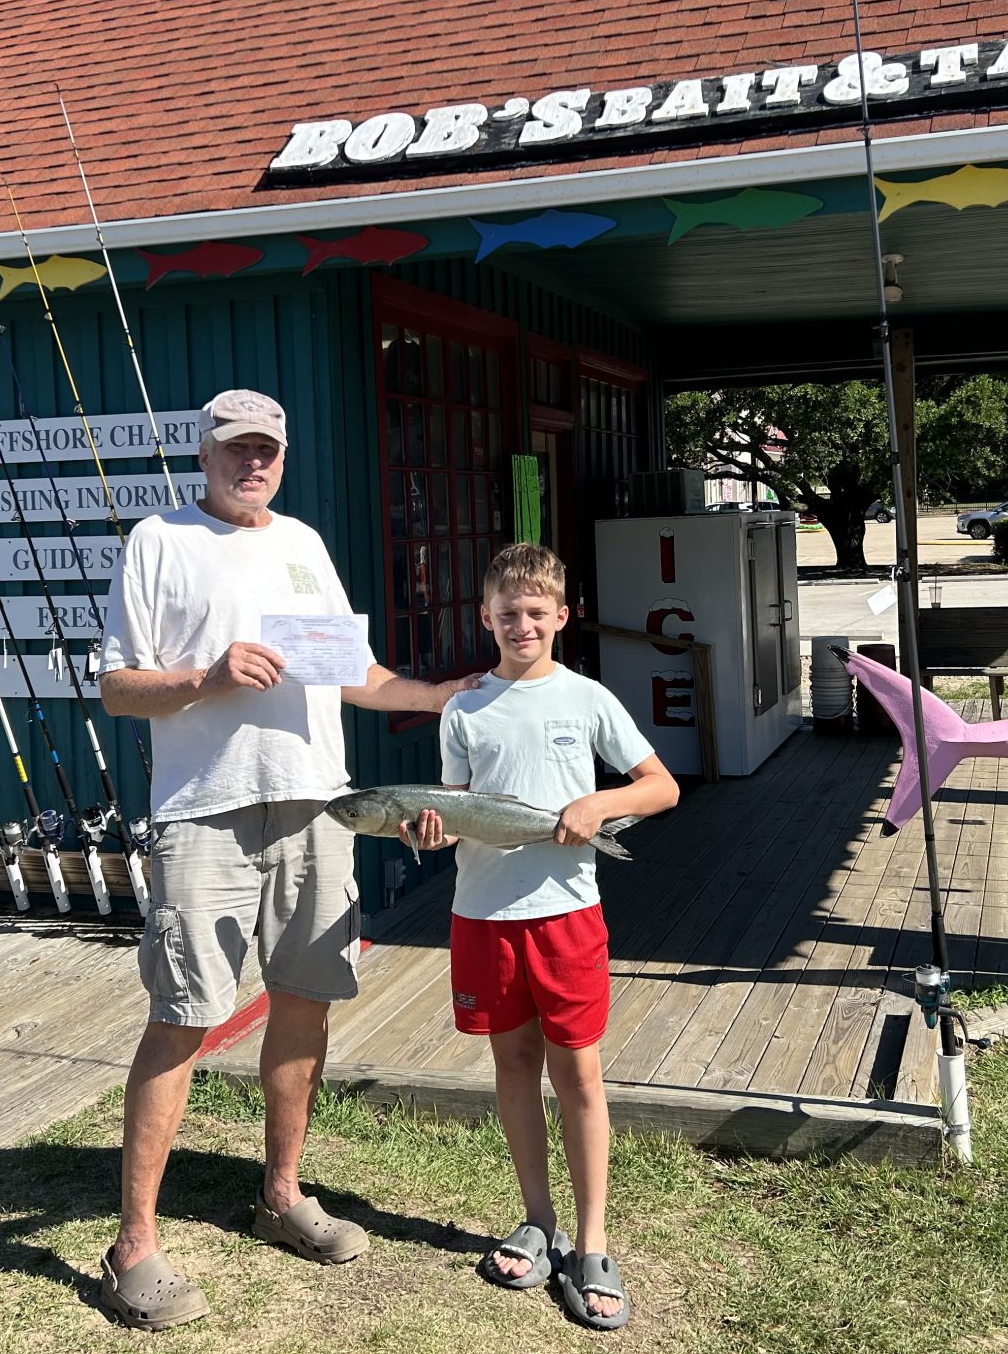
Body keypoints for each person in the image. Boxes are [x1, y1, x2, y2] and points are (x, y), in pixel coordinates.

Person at [95, 388, 476, 1331]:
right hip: (204, 814)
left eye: (267, 449)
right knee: (184, 1016)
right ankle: (133, 1246)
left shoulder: (303, 544)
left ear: (284, 454)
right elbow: (116, 687)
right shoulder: (159, 540)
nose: (252, 463)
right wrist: (206, 678)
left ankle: (281, 1194)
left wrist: (439, 697)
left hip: (317, 804)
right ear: (204, 453)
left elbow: (355, 672)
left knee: (305, 1003)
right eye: (235, 449)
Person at [401, 542, 678, 1332]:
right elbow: (450, 815)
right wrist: (426, 833)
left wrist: (600, 806)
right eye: (506, 613)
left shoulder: (588, 699)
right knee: (513, 1066)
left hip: (567, 917)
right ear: (484, 617)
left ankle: (592, 1243)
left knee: (580, 1077)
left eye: (535, 612)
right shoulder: (463, 709)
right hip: (483, 919)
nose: (521, 624)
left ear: (562, 616)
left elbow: (660, 786)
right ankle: (537, 1220)